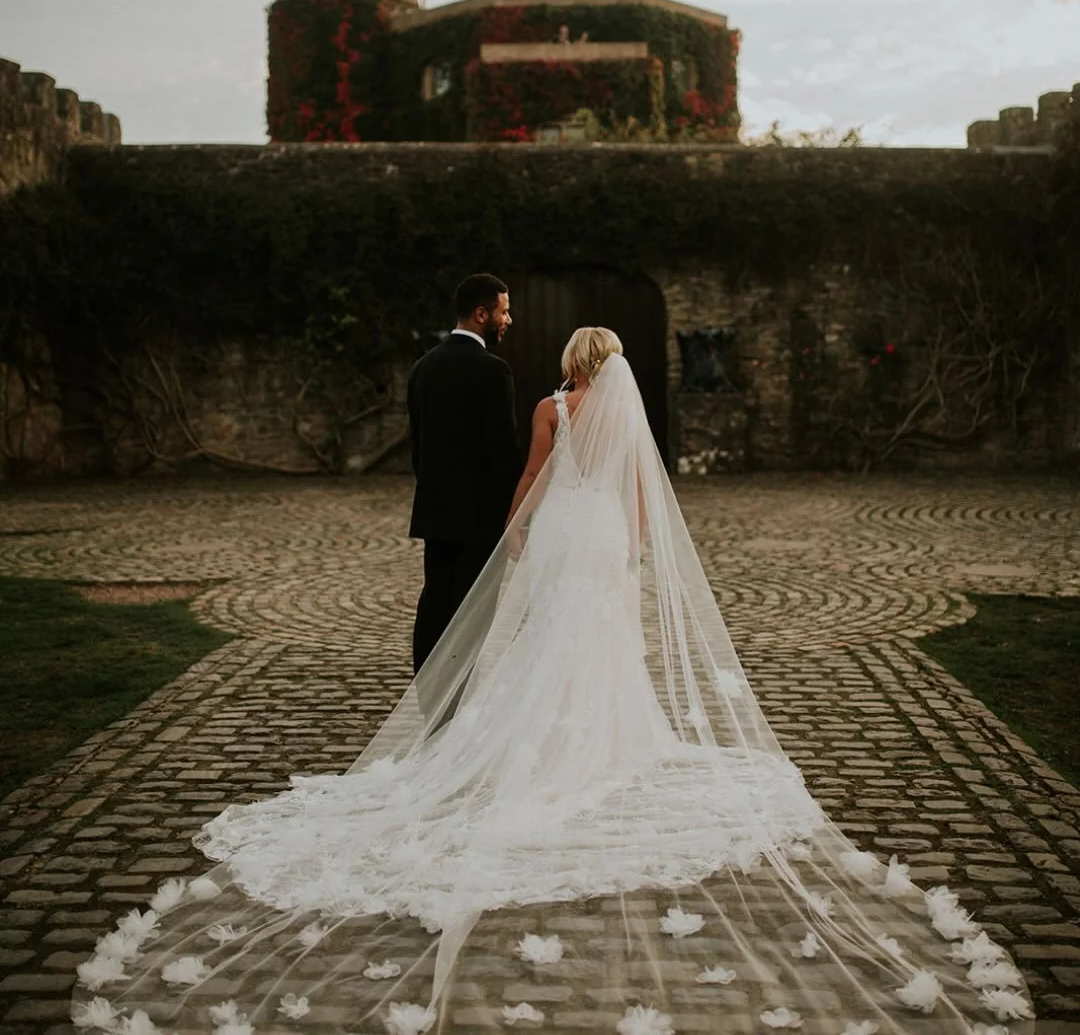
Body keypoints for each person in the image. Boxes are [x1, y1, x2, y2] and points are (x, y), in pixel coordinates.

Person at [72, 330, 1034, 1035]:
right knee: (606, 638)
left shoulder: (551, 408)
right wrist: (638, 550)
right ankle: (608, 741)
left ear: (571, 364)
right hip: (606, 536)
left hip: (566, 529)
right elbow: (640, 494)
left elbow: (534, 479)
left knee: (545, 637)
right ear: (613, 363)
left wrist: (518, 535)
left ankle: (529, 739)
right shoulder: (625, 413)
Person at [406, 273, 522, 674]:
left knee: (435, 603)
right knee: (473, 614)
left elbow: (418, 449)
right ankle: (457, 702)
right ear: (481, 313)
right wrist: (518, 513)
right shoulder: (492, 370)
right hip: (481, 519)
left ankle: (428, 692)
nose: (508, 320)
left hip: (436, 513)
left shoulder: (423, 367)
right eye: (503, 311)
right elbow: (502, 453)